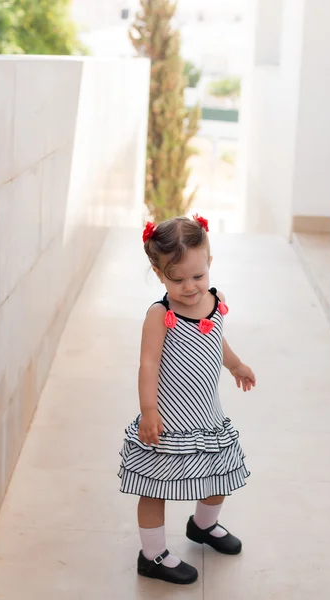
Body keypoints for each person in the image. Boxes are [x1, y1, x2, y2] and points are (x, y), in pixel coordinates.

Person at [118, 215, 256, 585]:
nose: (190, 287)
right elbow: (147, 365)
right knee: (154, 488)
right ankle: (152, 555)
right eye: (176, 279)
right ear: (158, 272)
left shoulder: (216, 301)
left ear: (209, 262)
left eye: (197, 276)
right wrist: (149, 412)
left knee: (219, 476)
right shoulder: (160, 315)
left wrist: (236, 364)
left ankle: (202, 526)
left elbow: (217, 341)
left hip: (208, 417)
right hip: (168, 421)